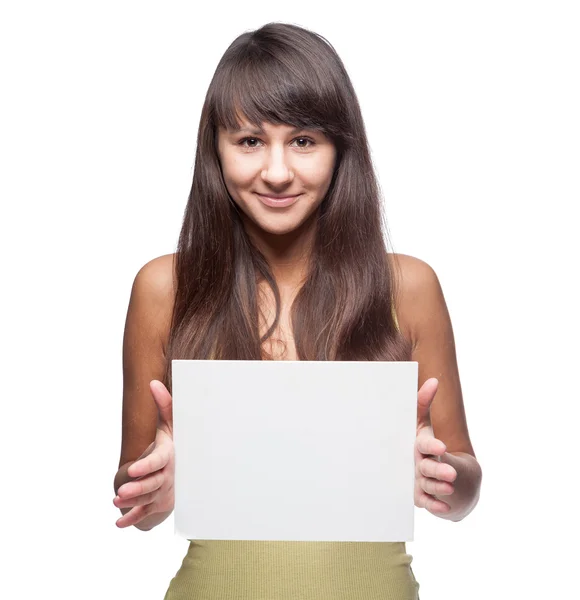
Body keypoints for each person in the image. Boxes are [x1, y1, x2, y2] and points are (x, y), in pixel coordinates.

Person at [112, 21, 482, 600]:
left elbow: (464, 487)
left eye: (304, 141)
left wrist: (440, 476)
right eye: (250, 141)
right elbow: (140, 498)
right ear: (216, 148)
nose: (278, 172)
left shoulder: (408, 285)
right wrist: (153, 486)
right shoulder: (165, 286)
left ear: (341, 148)